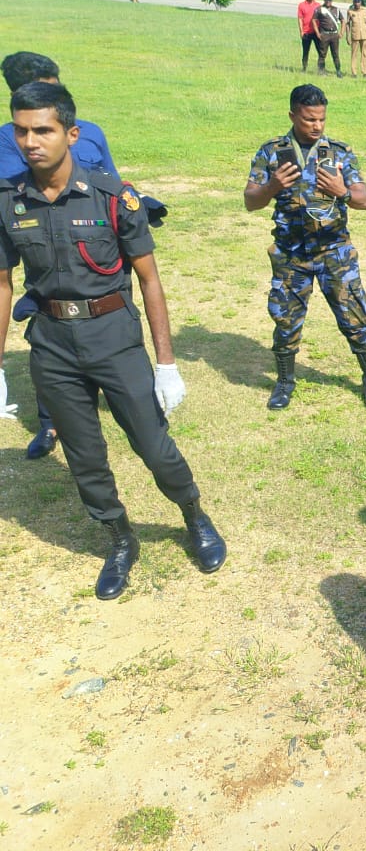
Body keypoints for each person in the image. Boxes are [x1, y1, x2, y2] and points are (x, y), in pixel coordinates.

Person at [0, 82, 226, 600]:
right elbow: (3, 284)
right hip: (52, 345)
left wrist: (166, 363)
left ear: (71, 134)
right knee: (84, 459)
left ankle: (193, 514)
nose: (31, 141)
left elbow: (149, 279)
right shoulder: (8, 201)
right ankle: (120, 540)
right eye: (21, 131)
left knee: (154, 445)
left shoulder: (112, 196)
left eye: (43, 130)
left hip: (113, 338)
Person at [1, 52, 120, 460]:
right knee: (50, 339)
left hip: (96, 250)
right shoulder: (9, 141)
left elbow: (111, 179)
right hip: (45, 252)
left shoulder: (90, 132)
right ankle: (50, 421)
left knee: (113, 320)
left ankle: (123, 395)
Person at [243, 84, 366, 409]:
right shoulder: (271, 153)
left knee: (354, 319)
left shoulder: (339, 152)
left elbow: (363, 200)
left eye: (321, 119)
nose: (317, 125)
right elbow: (250, 201)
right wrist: (273, 185)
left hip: (334, 252)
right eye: (309, 119)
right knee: (285, 322)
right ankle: (284, 383)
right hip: (291, 254)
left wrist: (341, 191)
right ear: (293, 115)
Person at [312, 0, 345, 78]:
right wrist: (317, 33)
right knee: (322, 54)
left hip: (334, 35)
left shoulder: (336, 9)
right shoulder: (319, 9)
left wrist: (342, 32)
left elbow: (343, 20)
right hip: (324, 34)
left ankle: (338, 71)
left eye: (329, 0)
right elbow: (314, 20)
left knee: (335, 54)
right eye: (326, 0)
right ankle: (321, 71)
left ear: (331, 1)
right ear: (324, 0)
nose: (328, 2)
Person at [344, 0, 366, 79]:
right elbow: (348, 24)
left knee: (364, 54)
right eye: (355, 2)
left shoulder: (365, 10)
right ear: (353, 2)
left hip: (364, 35)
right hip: (355, 35)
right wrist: (347, 36)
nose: (357, 4)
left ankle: (365, 72)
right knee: (354, 54)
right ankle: (354, 72)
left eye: (358, 2)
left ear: (361, 2)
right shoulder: (350, 11)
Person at [297, 0, 320, 73]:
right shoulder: (301, 5)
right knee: (305, 52)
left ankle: (320, 69)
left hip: (316, 32)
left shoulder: (318, 5)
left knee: (320, 52)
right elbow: (300, 19)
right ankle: (304, 68)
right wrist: (301, 31)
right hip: (306, 32)